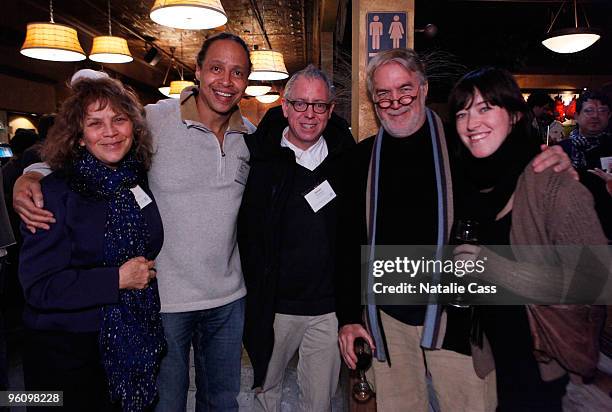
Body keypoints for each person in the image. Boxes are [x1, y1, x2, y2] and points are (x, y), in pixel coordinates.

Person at [13, 33, 254, 411]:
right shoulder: (156, 118)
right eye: (217, 68)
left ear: (247, 80)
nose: (226, 80)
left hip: (227, 298)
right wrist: (31, 174)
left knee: (223, 400)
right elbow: (82, 141)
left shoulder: (251, 137)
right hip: (163, 300)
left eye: (237, 72)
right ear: (198, 71)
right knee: (166, 402)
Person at [335, 48, 574, 412]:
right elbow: (348, 241)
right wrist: (350, 317)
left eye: (405, 89)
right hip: (387, 320)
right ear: (373, 99)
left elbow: (511, 168)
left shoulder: (463, 145)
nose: (395, 101)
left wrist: (551, 157)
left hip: (457, 319)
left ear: (424, 88)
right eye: (383, 93)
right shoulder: (361, 158)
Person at [449, 67, 608, 411]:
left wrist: (494, 269)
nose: (471, 122)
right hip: (493, 357)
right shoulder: (471, 181)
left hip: (538, 364)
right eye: (463, 112)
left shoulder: (550, 180)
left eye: (485, 108)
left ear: (516, 114)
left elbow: (597, 281)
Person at [18, 75, 165, 411]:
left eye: (119, 119)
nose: (110, 131)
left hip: (128, 338)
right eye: (95, 123)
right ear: (79, 136)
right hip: (64, 354)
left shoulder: (133, 180)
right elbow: (39, 287)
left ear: (133, 127)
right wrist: (117, 279)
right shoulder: (52, 193)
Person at [239, 65, 354, 411]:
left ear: (331, 111)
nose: (309, 113)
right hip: (274, 309)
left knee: (319, 401)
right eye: (300, 104)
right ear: (285, 106)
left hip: (327, 310)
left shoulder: (347, 162)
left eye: (319, 105)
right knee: (266, 391)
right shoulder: (258, 158)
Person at [559, 91, 612, 241]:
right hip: (569, 232)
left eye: (602, 111)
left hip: (607, 232)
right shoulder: (562, 150)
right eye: (589, 110)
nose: (595, 116)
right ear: (576, 116)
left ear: (609, 116)